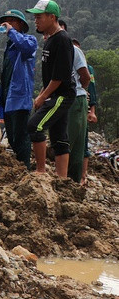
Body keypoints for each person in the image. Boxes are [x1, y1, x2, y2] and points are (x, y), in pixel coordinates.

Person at [25, 0, 75, 177]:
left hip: (61, 94)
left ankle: (40, 171)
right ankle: (61, 179)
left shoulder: (62, 40)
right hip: (53, 92)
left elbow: (59, 77)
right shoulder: (50, 39)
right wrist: (43, 93)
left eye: (39, 17)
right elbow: (50, 74)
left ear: (52, 17)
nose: (35, 21)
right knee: (58, 136)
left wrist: (42, 97)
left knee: (35, 126)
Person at [0, 10, 37, 168]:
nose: (8, 24)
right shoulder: (9, 46)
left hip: (19, 97)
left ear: (21, 25)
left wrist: (11, 31)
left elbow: (25, 47)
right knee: (11, 135)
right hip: (7, 97)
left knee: (21, 135)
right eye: (7, 21)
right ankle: (20, 165)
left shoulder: (28, 40)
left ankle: (24, 166)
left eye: (12, 21)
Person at [60, 22, 91, 183]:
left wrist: (77, 91)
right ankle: (69, 181)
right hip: (63, 99)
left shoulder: (74, 51)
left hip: (74, 99)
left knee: (70, 143)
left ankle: (70, 181)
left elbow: (85, 77)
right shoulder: (53, 52)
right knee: (67, 141)